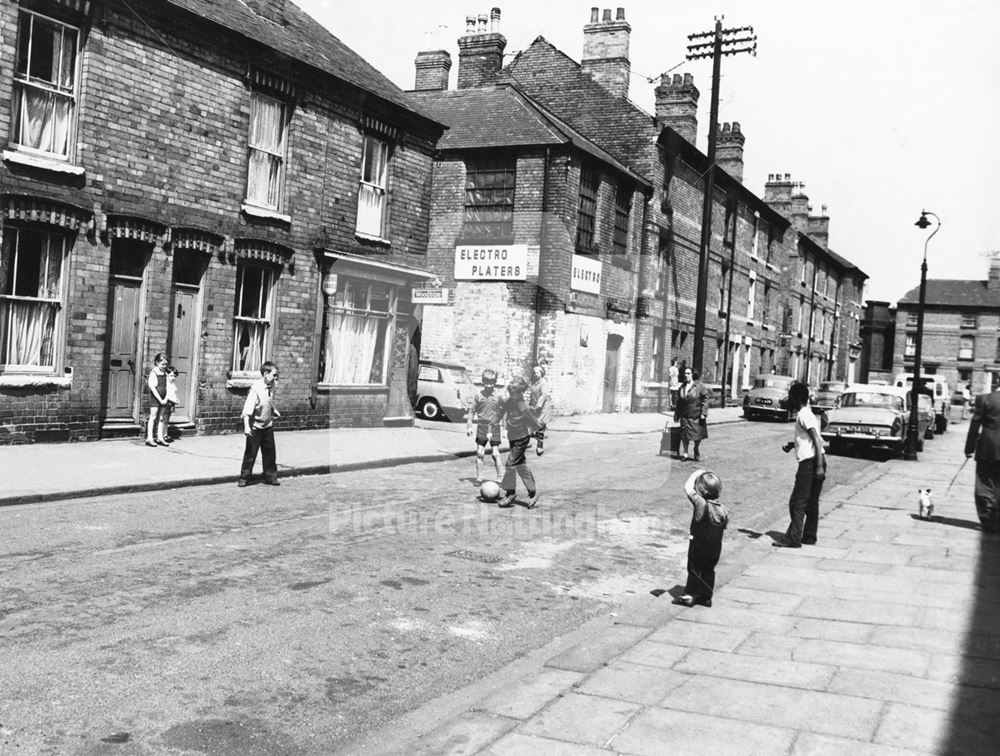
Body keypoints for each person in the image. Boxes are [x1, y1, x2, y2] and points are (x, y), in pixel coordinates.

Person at [777, 381, 827, 547]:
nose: (788, 400)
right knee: (812, 503)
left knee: (797, 502)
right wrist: (793, 445)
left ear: (796, 398)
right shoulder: (808, 413)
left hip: (810, 463)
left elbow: (817, 440)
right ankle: (809, 536)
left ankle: (793, 538)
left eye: (790, 396)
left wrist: (818, 466)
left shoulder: (803, 414)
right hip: (816, 460)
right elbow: (807, 439)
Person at [673, 468, 728, 607]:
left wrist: (698, 472)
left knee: (694, 569)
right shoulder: (722, 508)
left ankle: (689, 596)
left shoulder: (701, 504)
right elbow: (724, 526)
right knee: (709, 570)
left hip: (698, 544)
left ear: (701, 490)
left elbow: (687, 487)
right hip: (715, 547)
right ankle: (706, 597)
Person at [497, 376, 540, 509]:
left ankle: (510, 493)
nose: (512, 396)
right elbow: (501, 413)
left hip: (521, 439)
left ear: (520, 393)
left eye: (514, 394)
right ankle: (533, 493)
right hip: (512, 437)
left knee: (510, 465)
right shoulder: (509, 402)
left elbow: (538, 426)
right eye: (510, 393)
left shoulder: (524, 407)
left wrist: (540, 445)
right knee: (521, 466)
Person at [239, 361, 281, 487]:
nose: (276, 378)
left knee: (269, 453)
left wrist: (274, 410)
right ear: (265, 374)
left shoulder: (272, 385)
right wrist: (247, 427)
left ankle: (270, 477)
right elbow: (247, 410)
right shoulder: (255, 389)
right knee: (250, 454)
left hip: (267, 425)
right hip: (255, 427)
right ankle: (244, 478)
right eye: (274, 375)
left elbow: (268, 400)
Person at [964, 385, 1000, 533]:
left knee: (984, 484)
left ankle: (988, 520)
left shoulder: (985, 399)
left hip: (988, 448)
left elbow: (975, 425)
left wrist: (969, 448)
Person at [466, 368, 503, 483]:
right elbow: (471, 411)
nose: (489, 385)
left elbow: (503, 413)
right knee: (480, 453)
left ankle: (500, 478)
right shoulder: (478, 396)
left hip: (494, 427)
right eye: (486, 382)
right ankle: (479, 477)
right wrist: (469, 426)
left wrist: (505, 429)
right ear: (483, 381)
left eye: (491, 382)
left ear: (495, 382)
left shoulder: (498, 396)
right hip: (482, 427)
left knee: (495, 454)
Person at [673, 366, 709, 461]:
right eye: (685, 373)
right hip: (685, 415)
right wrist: (676, 414)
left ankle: (696, 448)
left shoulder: (699, 386)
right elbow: (679, 402)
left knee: (697, 436)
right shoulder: (682, 387)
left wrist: (703, 413)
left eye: (688, 373)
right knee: (684, 435)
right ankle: (685, 453)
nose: (686, 375)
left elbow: (705, 399)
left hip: (696, 415)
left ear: (693, 374)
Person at [145, 353, 169, 447]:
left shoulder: (165, 373)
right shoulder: (153, 373)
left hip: (164, 398)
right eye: (162, 364)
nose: (164, 366)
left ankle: (160, 437)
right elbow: (153, 388)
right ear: (157, 363)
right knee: (153, 417)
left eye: (165, 364)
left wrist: (166, 398)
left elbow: (168, 387)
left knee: (161, 418)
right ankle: (149, 438)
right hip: (156, 398)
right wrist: (160, 399)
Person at [529, 365, 552, 456]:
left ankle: (540, 446)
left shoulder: (543, 382)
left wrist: (538, 405)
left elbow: (543, 395)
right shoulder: (533, 383)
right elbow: (532, 396)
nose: (536, 374)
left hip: (543, 407)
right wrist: (530, 405)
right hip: (535, 406)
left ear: (541, 373)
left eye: (538, 372)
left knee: (540, 426)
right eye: (534, 373)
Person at [161, 365, 180, 443]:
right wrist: (173, 400)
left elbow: (173, 393)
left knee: (167, 420)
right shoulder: (166, 384)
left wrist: (176, 399)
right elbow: (167, 395)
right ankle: (162, 435)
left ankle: (165, 434)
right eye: (171, 376)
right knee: (164, 419)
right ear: (166, 374)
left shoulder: (172, 384)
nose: (173, 378)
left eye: (174, 376)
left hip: (171, 403)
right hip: (167, 402)